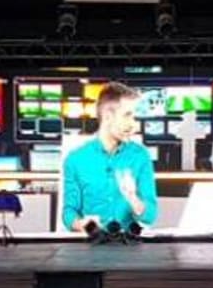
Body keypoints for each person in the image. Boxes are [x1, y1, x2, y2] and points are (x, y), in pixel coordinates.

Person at [61, 81, 159, 243]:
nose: (133, 124)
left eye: (134, 116)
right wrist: (82, 224)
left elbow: (151, 216)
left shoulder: (140, 156)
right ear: (107, 116)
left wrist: (133, 198)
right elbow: (69, 212)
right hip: (92, 247)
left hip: (130, 248)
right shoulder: (75, 159)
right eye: (127, 115)